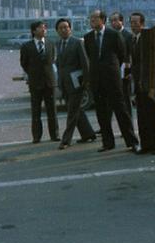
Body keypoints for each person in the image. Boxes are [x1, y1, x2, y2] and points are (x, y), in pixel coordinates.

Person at [83, 9, 140, 152]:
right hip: (97, 80)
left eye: (95, 18)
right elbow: (91, 57)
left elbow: (121, 55)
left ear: (103, 20)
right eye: (91, 19)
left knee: (121, 110)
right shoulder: (88, 37)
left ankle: (131, 141)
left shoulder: (113, 35)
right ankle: (108, 143)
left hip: (112, 79)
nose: (92, 21)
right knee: (101, 113)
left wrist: (111, 68)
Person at [54, 18, 97, 149]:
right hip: (64, 83)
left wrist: (86, 81)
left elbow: (85, 63)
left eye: (66, 27)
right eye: (61, 28)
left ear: (70, 29)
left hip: (77, 83)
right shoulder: (58, 44)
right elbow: (59, 64)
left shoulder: (77, 43)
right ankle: (88, 134)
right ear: (57, 31)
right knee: (76, 110)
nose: (64, 30)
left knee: (72, 113)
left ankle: (66, 140)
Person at [129, 12, 155, 154]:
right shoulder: (134, 39)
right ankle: (146, 145)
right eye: (131, 22)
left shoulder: (148, 38)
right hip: (139, 84)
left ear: (142, 23)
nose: (133, 25)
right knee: (142, 116)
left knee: (152, 116)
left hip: (149, 83)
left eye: (136, 22)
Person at [19, 20, 59, 143]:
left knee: (52, 110)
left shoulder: (50, 44)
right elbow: (24, 64)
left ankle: (54, 135)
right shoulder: (26, 46)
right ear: (34, 31)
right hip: (35, 83)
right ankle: (37, 136)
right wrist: (34, 73)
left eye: (45, 28)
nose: (44, 30)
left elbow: (52, 60)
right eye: (41, 28)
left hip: (49, 82)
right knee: (36, 112)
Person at [110, 11, 134, 116]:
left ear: (121, 21)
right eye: (111, 21)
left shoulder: (128, 36)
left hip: (124, 71)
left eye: (115, 20)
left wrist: (129, 70)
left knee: (125, 98)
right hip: (113, 71)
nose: (113, 23)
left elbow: (130, 54)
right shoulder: (111, 35)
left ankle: (129, 126)